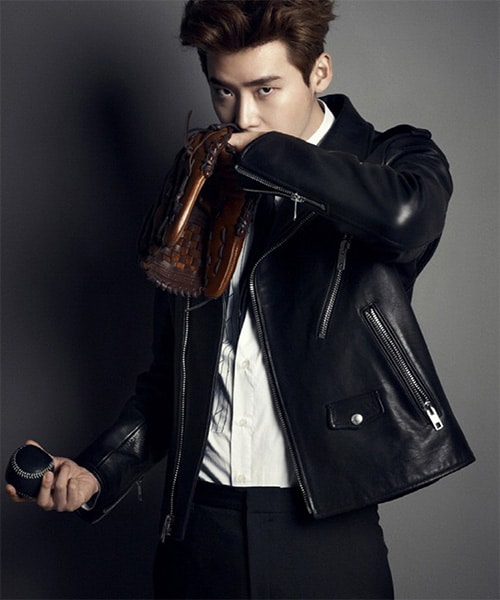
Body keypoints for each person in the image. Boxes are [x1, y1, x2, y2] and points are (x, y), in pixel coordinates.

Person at [6, 1, 474, 598]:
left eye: (266, 89)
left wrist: (271, 156)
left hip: (325, 531)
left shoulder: (391, 160)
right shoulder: (199, 184)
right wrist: (98, 471)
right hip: (198, 533)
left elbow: (408, 221)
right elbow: (171, 379)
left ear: (320, 72)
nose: (243, 115)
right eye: (224, 91)